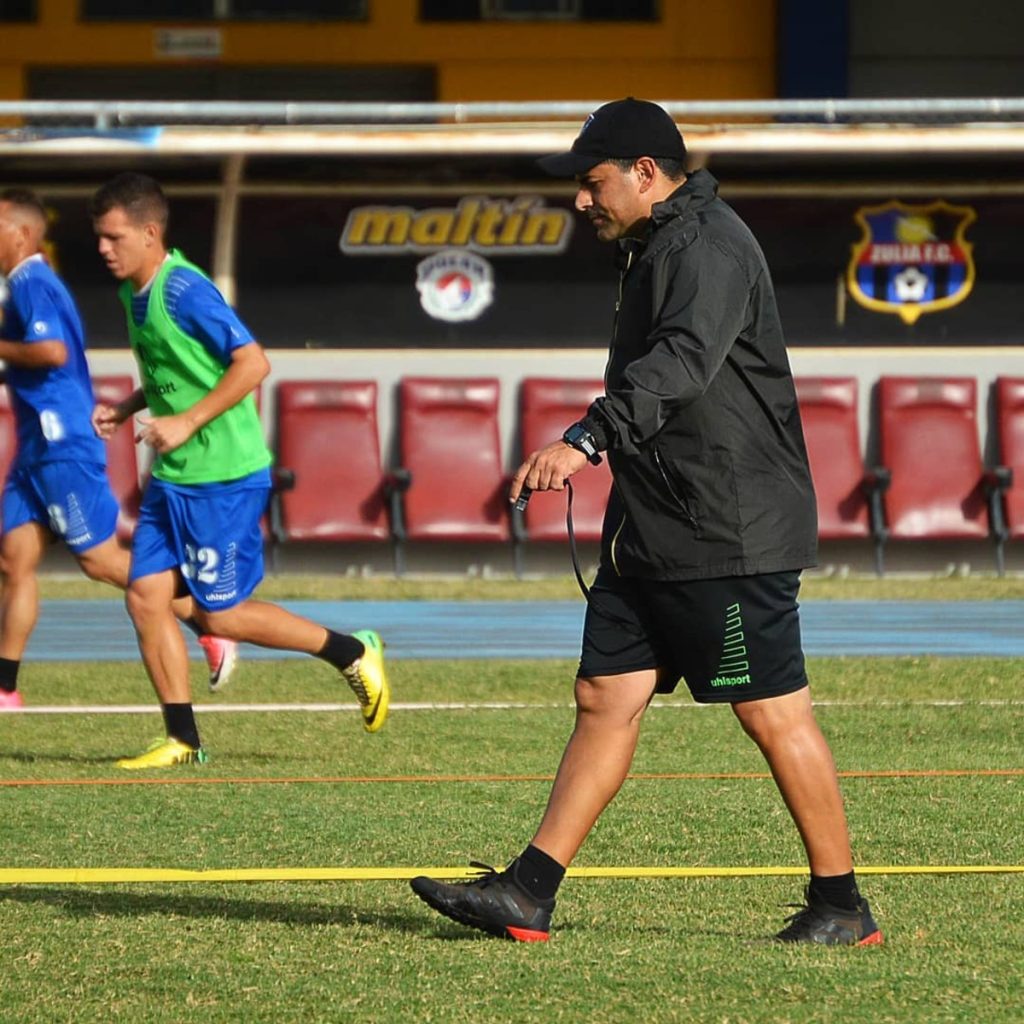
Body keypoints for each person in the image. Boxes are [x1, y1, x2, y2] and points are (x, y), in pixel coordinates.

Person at [410, 99, 882, 946]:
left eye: (592, 184)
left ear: (644, 173)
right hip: (654, 523)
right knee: (605, 696)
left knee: (771, 712)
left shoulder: (707, 245)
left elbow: (682, 364)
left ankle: (843, 905)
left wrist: (587, 437)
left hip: (728, 525)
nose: (580, 202)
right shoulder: (657, 243)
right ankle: (528, 892)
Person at [89, 172, 389, 769]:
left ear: (150, 233)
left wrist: (188, 422)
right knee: (145, 596)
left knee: (219, 613)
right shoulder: (134, 291)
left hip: (220, 477)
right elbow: (174, 370)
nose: (103, 248)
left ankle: (352, 651)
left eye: (114, 237)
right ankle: (182, 740)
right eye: (98, 237)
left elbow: (252, 364)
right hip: (175, 476)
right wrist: (128, 407)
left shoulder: (184, 292)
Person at [0, 186, 238, 712]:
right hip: (36, 448)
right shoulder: (17, 287)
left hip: (62, 445)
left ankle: (208, 621)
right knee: (14, 561)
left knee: (103, 562)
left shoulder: (34, 282)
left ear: (21, 233)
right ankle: (6, 688)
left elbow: (51, 350)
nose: (106, 247)